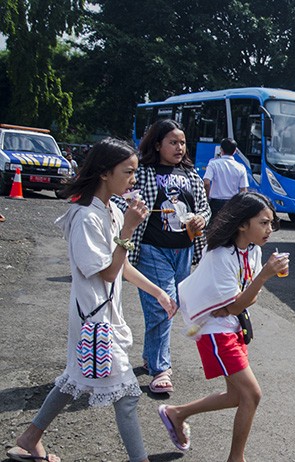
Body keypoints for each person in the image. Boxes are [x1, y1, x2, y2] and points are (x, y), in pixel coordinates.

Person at [6, 138, 177, 462]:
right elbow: (109, 273)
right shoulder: (86, 216)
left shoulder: (109, 208)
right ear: (103, 173)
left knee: (72, 379)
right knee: (126, 397)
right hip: (93, 320)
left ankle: (29, 438)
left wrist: (157, 291)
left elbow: (121, 265)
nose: (133, 180)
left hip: (100, 316)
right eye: (128, 172)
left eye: (135, 172)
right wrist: (128, 229)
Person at [157, 192, 288, 461]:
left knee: (236, 396)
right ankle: (235, 459)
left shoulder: (253, 250)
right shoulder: (220, 255)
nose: (269, 230)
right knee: (252, 395)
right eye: (263, 223)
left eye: (271, 223)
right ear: (242, 224)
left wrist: (236, 301)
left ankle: (177, 413)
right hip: (214, 330)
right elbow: (242, 302)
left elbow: (247, 299)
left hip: (229, 324)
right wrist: (261, 278)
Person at [111, 119, 211, 395]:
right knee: (162, 306)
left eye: (182, 142)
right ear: (157, 145)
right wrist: (133, 208)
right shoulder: (143, 172)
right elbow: (122, 199)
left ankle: (151, 355)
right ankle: (160, 369)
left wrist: (201, 219)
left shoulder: (191, 174)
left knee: (172, 305)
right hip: (152, 249)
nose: (179, 148)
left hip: (185, 250)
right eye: (172, 142)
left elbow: (204, 207)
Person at [204, 138, 249, 220]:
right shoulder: (241, 167)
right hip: (232, 203)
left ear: (221, 149)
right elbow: (244, 190)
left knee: (213, 228)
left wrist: (206, 198)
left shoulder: (213, 164)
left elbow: (206, 183)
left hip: (215, 203)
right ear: (235, 151)